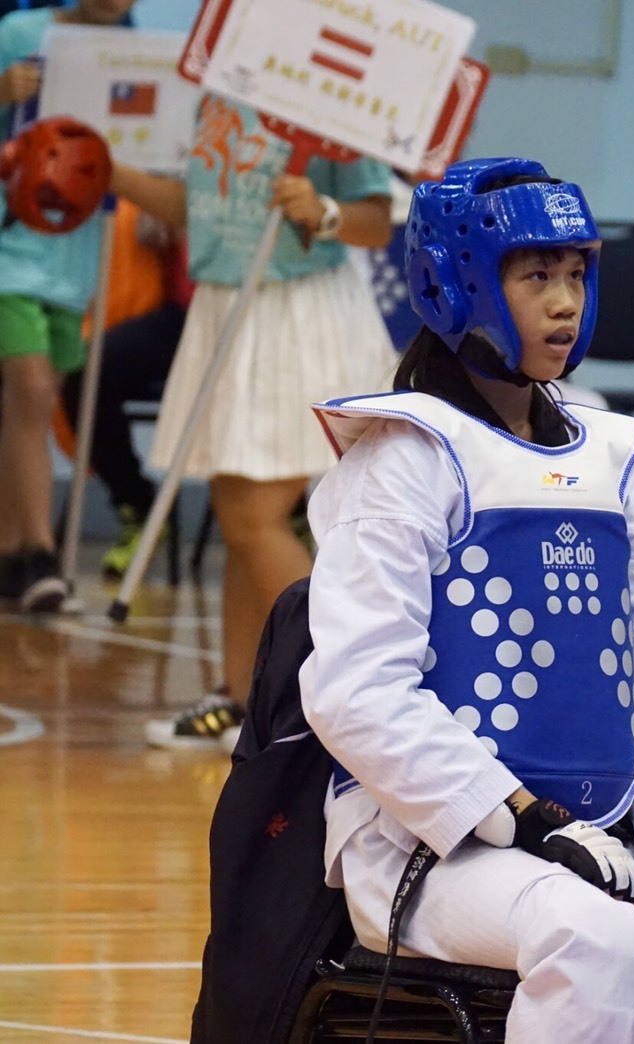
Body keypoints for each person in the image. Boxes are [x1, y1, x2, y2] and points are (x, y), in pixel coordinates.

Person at [299, 157, 634, 1042]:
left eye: (577, 275)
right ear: (464, 281)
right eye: (536, 276)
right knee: (603, 945)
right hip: (431, 849)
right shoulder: (401, 460)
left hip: (606, 840)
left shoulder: (604, 459)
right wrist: (524, 818)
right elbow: (355, 693)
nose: (566, 302)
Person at [109, 92, 396, 748]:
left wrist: (320, 209)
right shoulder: (220, 87)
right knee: (240, 521)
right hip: (226, 309)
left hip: (293, 314)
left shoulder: (329, 91)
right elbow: (198, 212)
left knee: (252, 519)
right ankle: (241, 701)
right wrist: (113, 172)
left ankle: (362, 692)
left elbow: (376, 220)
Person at [0, 0, 135, 612]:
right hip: (10, 245)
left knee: (33, 404)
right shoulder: (21, 35)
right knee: (27, 389)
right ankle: (39, 554)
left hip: (73, 256)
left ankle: (12, 551)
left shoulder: (136, 53)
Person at [58, 200, 191, 578]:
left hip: (252, 305)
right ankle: (138, 505)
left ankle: (293, 513)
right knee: (87, 370)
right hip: (184, 311)